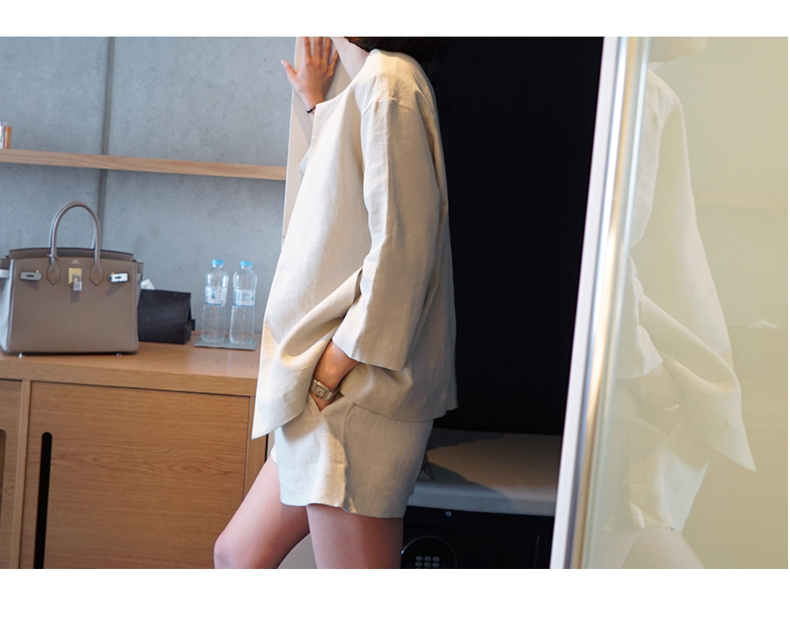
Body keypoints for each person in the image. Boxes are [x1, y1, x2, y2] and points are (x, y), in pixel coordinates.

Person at [214, 37, 456, 569]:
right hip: (330, 390)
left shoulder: (389, 82)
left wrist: (331, 371)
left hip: (350, 391)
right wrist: (317, 104)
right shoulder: (376, 84)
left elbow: (402, 253)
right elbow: (341, 194)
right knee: (236, 556)